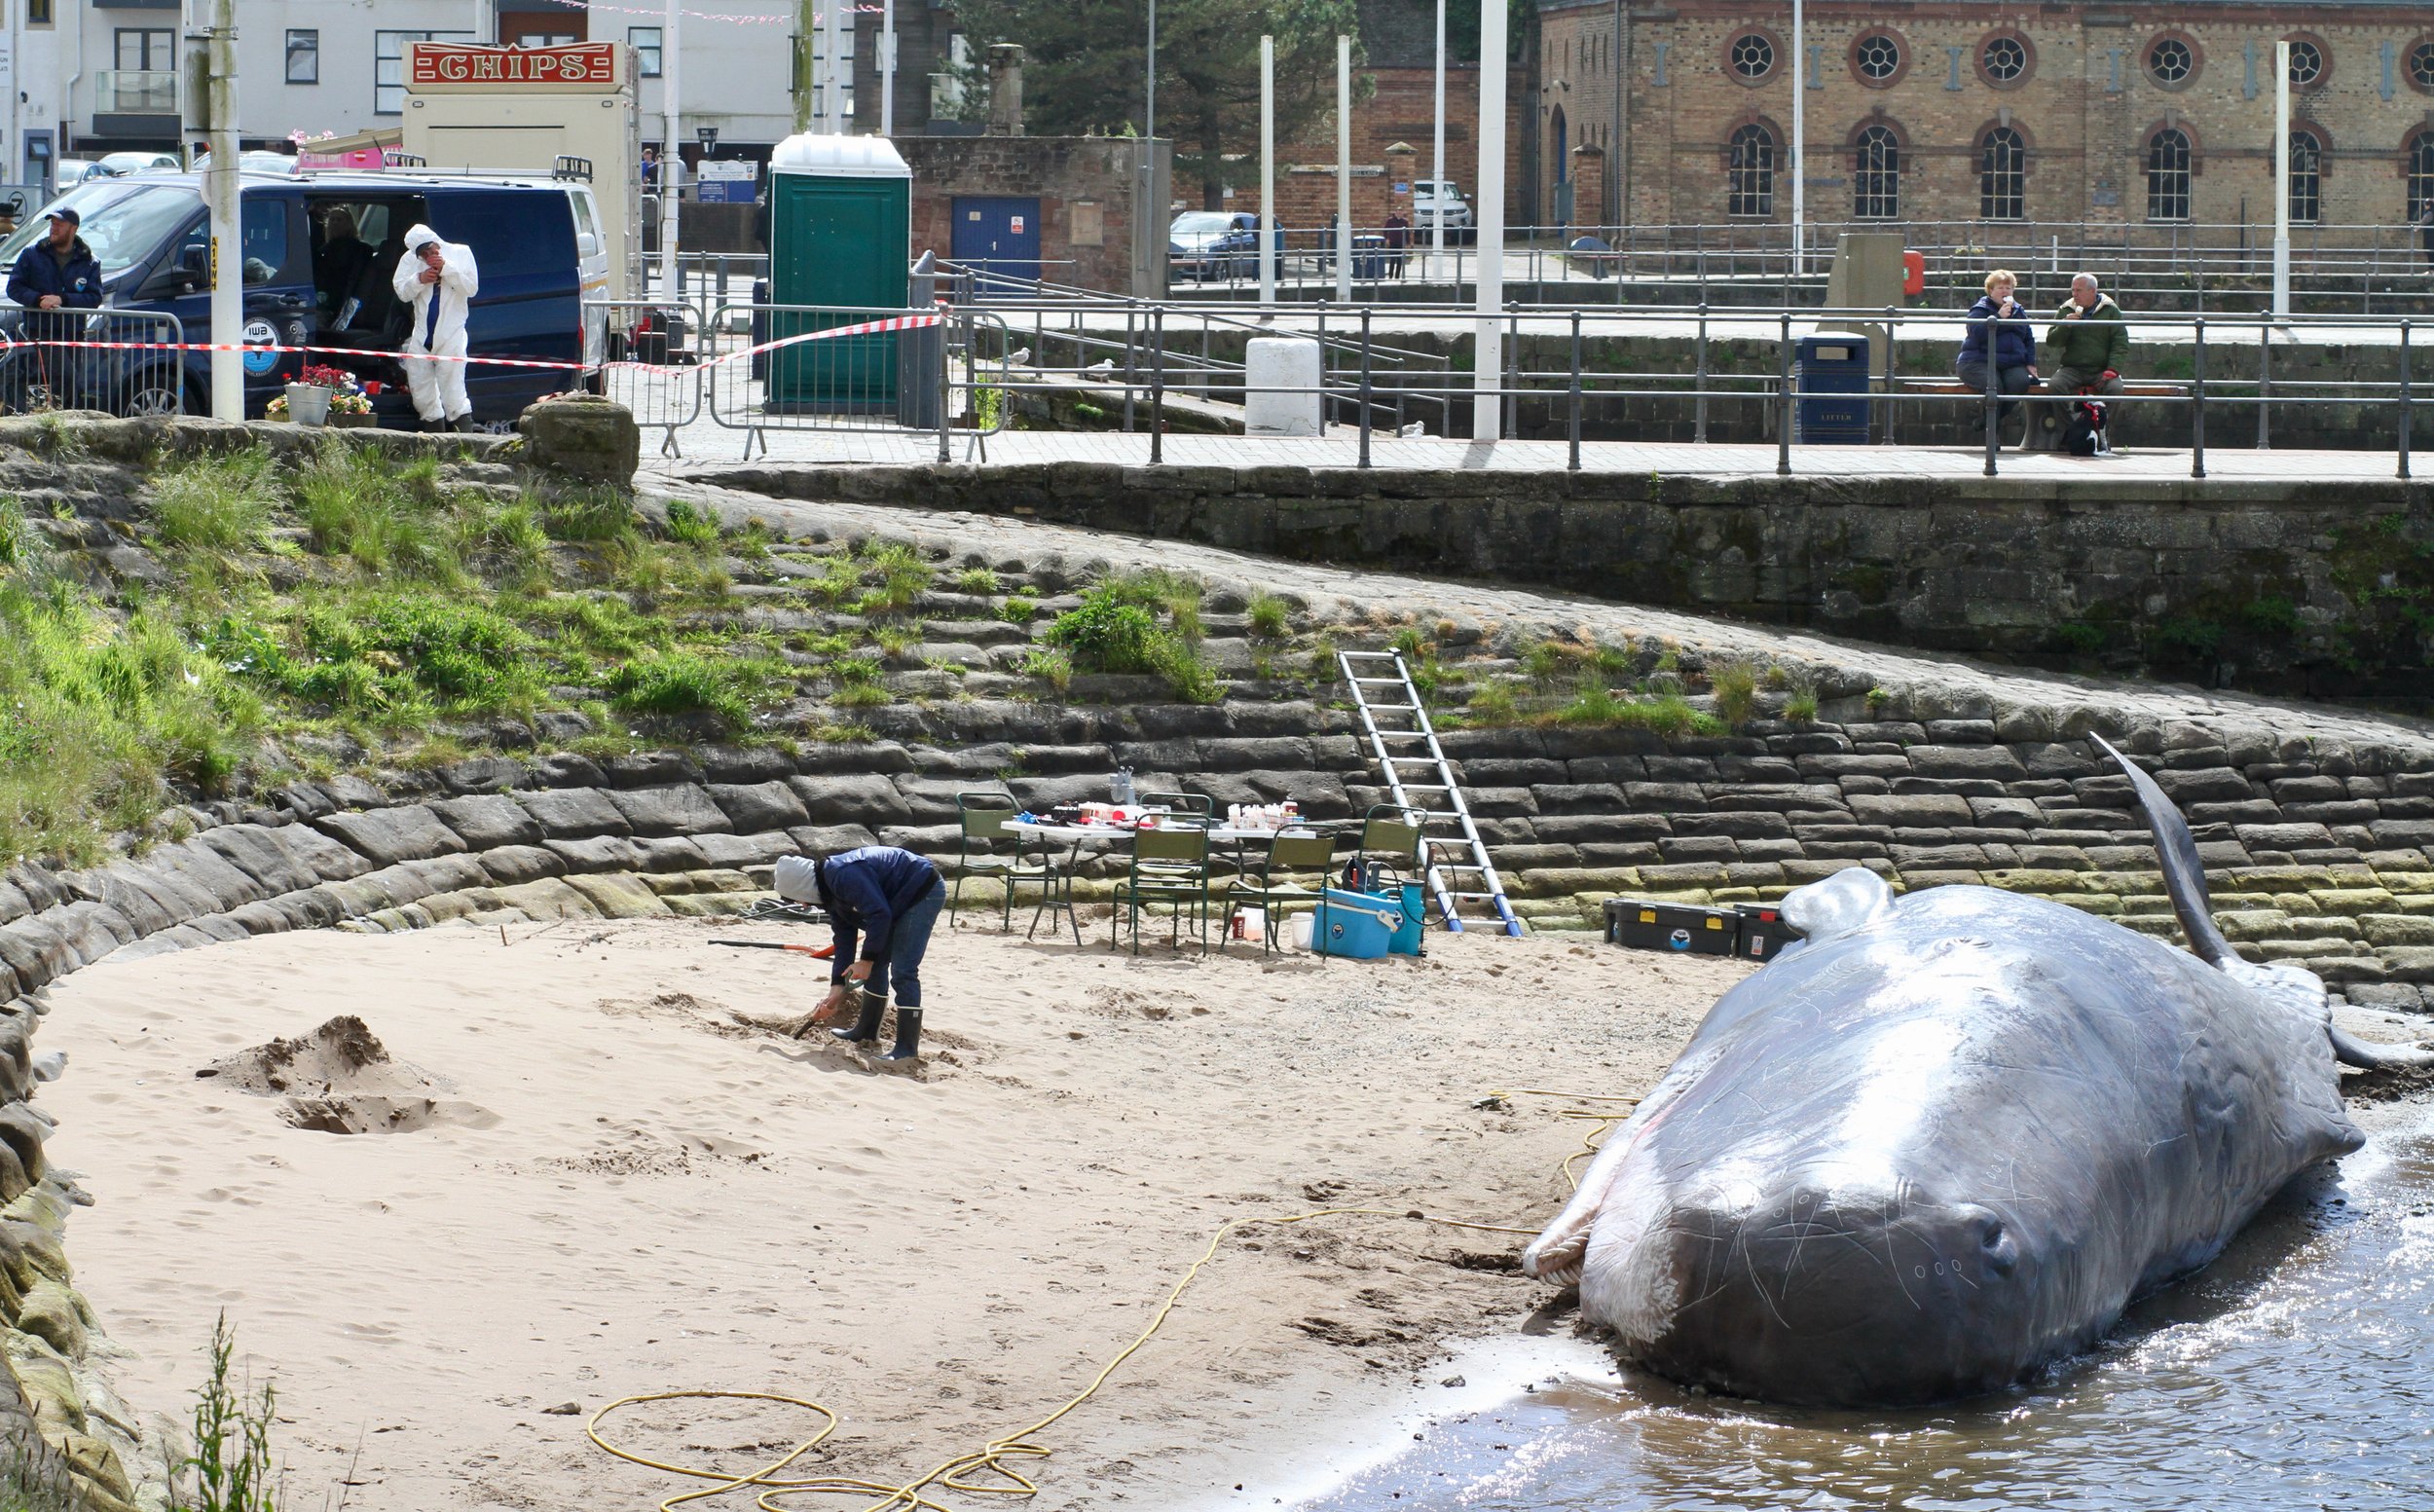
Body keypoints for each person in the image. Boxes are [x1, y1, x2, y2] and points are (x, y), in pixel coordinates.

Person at [800, 845, 947, 1063]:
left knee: (903, 970)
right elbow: (844, 942)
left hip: (922, 891)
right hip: (896, 901)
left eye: (796, 900)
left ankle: (907, 1048)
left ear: (800, 889)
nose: (802, 905)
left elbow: (879, 913)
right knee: (877, 965)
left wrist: (866, 960)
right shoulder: (831, 893)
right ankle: (866, 1031)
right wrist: (836, 989)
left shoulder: (843, 875)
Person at [7, 208, 104, 403]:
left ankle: (61, 421)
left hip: (72, 332)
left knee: (69, 381)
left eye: (60, 224)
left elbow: (94, 297)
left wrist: (63, 300)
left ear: (73, 228)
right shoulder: (32, 255)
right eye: (52, 224)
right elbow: (14, 287)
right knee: (65, 375)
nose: (54, 228)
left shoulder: (89, 262)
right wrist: (37, 299)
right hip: (41, 330)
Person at [390, 223, 479, 432]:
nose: (429, 255)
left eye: (432, 250)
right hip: (421, 336)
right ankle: (435, 447)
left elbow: (471, 288)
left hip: (452, 334)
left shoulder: (461, 253)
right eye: (423, 253)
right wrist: (419, 280)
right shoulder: (409, 261)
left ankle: (465, 447)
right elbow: (402, 291)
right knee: (421, 394)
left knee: (453, 392)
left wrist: (446, 269)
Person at [1955, 268, 2039, 431]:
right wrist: (1998, 318)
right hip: (1978, 360)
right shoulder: (1980, 309)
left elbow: (2028, 338)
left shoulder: (2019, 311)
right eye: (2000, 288)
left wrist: (2030, 362)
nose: (2005, 291)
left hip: (2010, 362)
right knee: (1994, 387)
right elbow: (1976, 333)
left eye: (2008, 288)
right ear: (1991, 291)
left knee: (2020, 383)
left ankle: (1987, 421)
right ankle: (1993, 438)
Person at [2045, 273, 2129, 401]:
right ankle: (2066, 422)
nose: (2074, 294)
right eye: (2072, 290)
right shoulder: (2066, 309)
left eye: (2079, 290)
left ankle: (2107, 421)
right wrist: (2064, 327)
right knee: (2055, 385)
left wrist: (2112, 369)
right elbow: (2052, 342)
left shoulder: (2110, 310)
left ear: (2093, 291)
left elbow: (2120, 343)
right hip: (2072, 369)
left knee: (2115, 389)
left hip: (2102, 369)